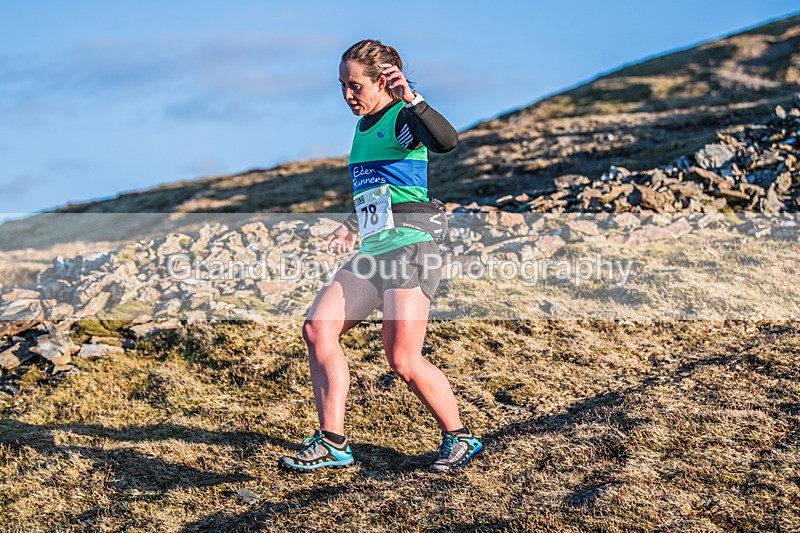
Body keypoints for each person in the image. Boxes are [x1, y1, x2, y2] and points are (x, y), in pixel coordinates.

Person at [278, 39, 482, 473]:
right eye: (342, 86)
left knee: (403, 359)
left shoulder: (402, 118)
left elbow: (446, 142)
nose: (348, 94)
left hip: (410, 247)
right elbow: (379, 194)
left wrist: (415, 100)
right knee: (317, 329)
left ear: (382, 81)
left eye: (355, 85)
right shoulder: (362, 127)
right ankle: (333, 442)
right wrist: (351, 227)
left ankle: (459, 437)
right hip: (375, 249)